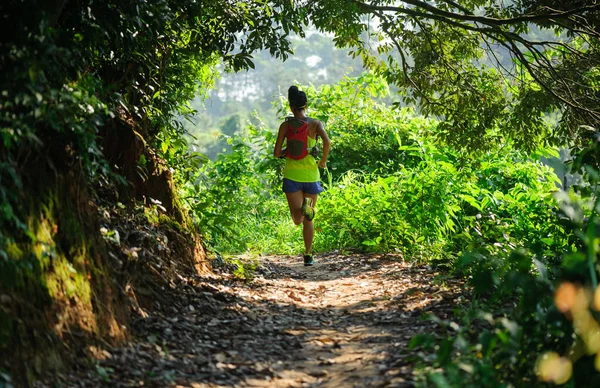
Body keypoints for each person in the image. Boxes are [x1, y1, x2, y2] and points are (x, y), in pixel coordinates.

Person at [274, 86, 330, 266]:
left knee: (297, 219)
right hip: (312, 176)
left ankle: (302, 210)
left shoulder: (285, 125)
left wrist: (287, 151)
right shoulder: (315, 124)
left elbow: (276, 153)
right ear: (306, 105)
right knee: (309, 218)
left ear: (291, 106)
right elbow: (327, 142)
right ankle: (308, 254)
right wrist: (322, 160)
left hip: (292, 176)